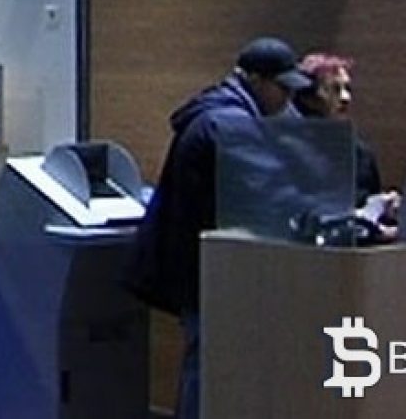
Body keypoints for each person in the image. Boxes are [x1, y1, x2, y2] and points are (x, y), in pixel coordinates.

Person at [128, 37, 312, 419]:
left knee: (204, 362)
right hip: (210, 272)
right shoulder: (229, 123)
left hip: (199, 267)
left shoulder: (218, 113)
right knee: (207, 367)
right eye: (282, 89)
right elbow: (267, 190)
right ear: (256, 80)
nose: (288, 99)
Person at [294, 53, 399, 226]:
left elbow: (368, 199)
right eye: (335, 89)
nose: (345, 98)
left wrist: (385, 206)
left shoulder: (360, 153)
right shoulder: (288, 148)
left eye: (347, 89)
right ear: (308, 98)